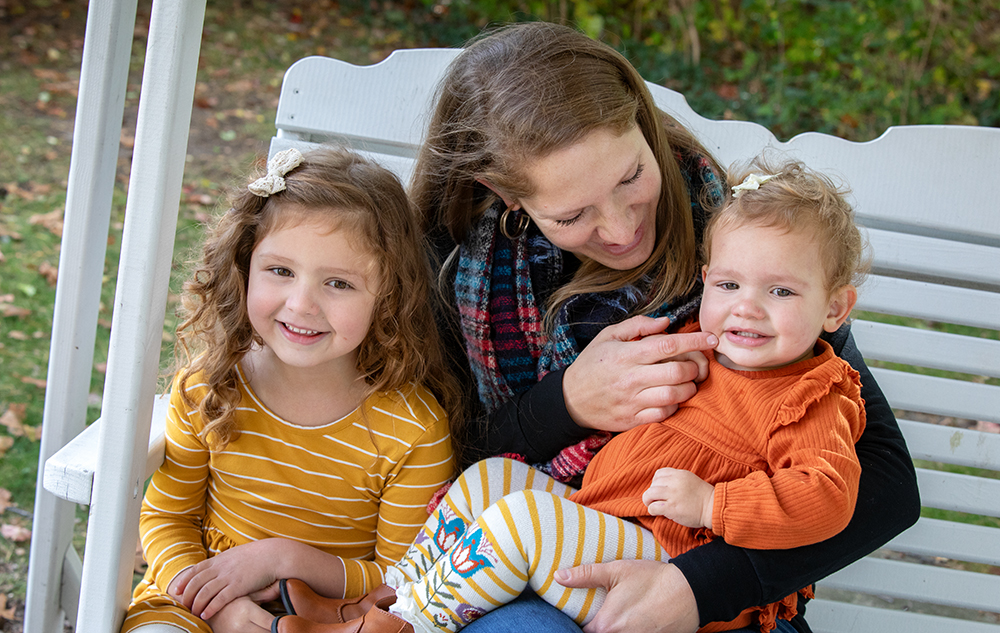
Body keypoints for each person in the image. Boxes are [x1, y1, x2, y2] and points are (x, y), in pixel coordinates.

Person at [409, 21, 918, 633]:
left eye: (630, 178)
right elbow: (433, 457)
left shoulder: (749, 249)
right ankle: (377, 614)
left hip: (711, 574)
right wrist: (565, 403)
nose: (623, 229)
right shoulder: (459, 267)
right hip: (553, 534)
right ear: (503, 192)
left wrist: (697, 588)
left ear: (642, 123)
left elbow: (888, 485)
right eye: (573, 214)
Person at [271, 157, 869, 633]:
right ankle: (384, 598)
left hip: (672, 560)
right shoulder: (699, 343)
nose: (746, 307)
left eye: (781, 292)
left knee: (524, 521)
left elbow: (827, 497)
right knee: (489, 481)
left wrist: (716, 506)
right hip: (607, 519)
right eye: (729, 283)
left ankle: (403, 629)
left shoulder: (815, 395)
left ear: (835, 307)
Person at [121, 147, 459, 633]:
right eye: (281, 271)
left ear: (389, 295)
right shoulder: (210, 387)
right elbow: (166, 519)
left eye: (339, 283)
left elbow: (400, 578)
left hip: (332, 619)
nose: (301, 305)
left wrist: (283, 559)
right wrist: (216, 608)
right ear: (244, 266)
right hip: (193, 602)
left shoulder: (412, 428)